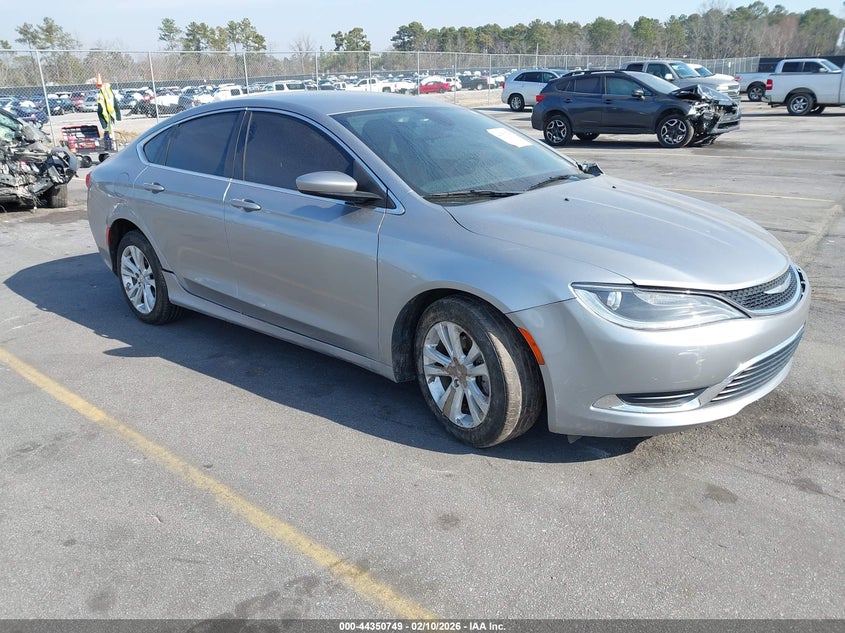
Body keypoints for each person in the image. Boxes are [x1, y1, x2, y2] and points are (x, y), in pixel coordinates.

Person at [96, 74, 121, 151]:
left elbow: (115, 104)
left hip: (110, 115)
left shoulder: (109, 94)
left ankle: (112, 145)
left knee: (110, 131)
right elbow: (100, 111)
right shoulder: (100, 95)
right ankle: (109, 145)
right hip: (105, 116)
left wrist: (117, 115)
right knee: (108, 132)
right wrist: (104, 125)